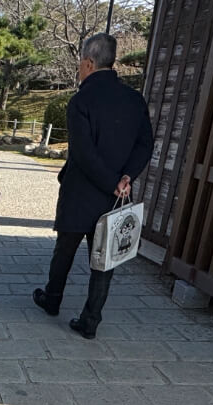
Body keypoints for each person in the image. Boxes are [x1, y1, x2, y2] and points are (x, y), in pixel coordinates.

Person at [32, 33, 153, 339]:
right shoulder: (134, 99)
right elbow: (144, 145)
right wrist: (125, 177)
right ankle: (91, 319)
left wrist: (111, 181)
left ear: (88, 62)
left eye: (79, 65)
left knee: (65, 250)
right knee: (104, 258)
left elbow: (83, 154)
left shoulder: (81, 101)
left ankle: (52, 299)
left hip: (80, 192)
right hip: (116, 197)